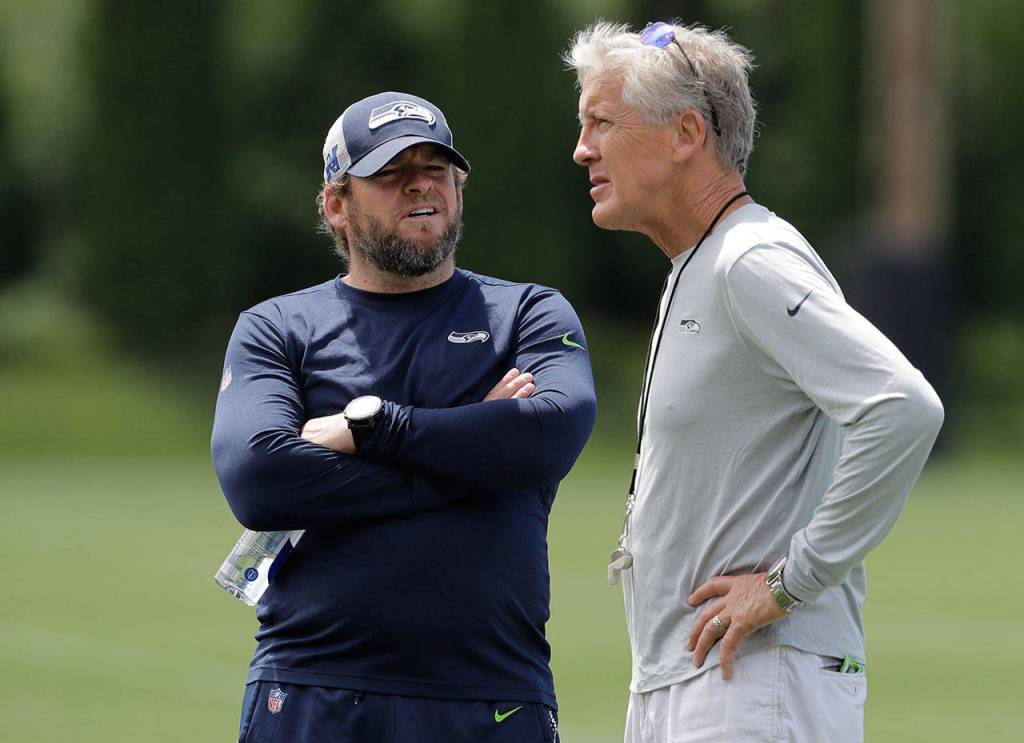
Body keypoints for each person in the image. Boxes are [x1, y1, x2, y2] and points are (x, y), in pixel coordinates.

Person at [565, 21, 943, 743]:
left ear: (686, 134)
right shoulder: (703, 261)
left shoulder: (748, 259)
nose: (582, 149)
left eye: (602, 123)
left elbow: (903, 406)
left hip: (753, 682)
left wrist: (788, 582)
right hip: (696, 680)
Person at [211, 91, 595, 743]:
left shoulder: (526, 313)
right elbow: (259, 479)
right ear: (336, 204)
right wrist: (474, 448)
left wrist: (371, 429)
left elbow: (552, 430)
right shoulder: (278, 327)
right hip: (312, 691)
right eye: (391, 172)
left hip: (491, 696)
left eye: (436, 168)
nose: (420, 184)